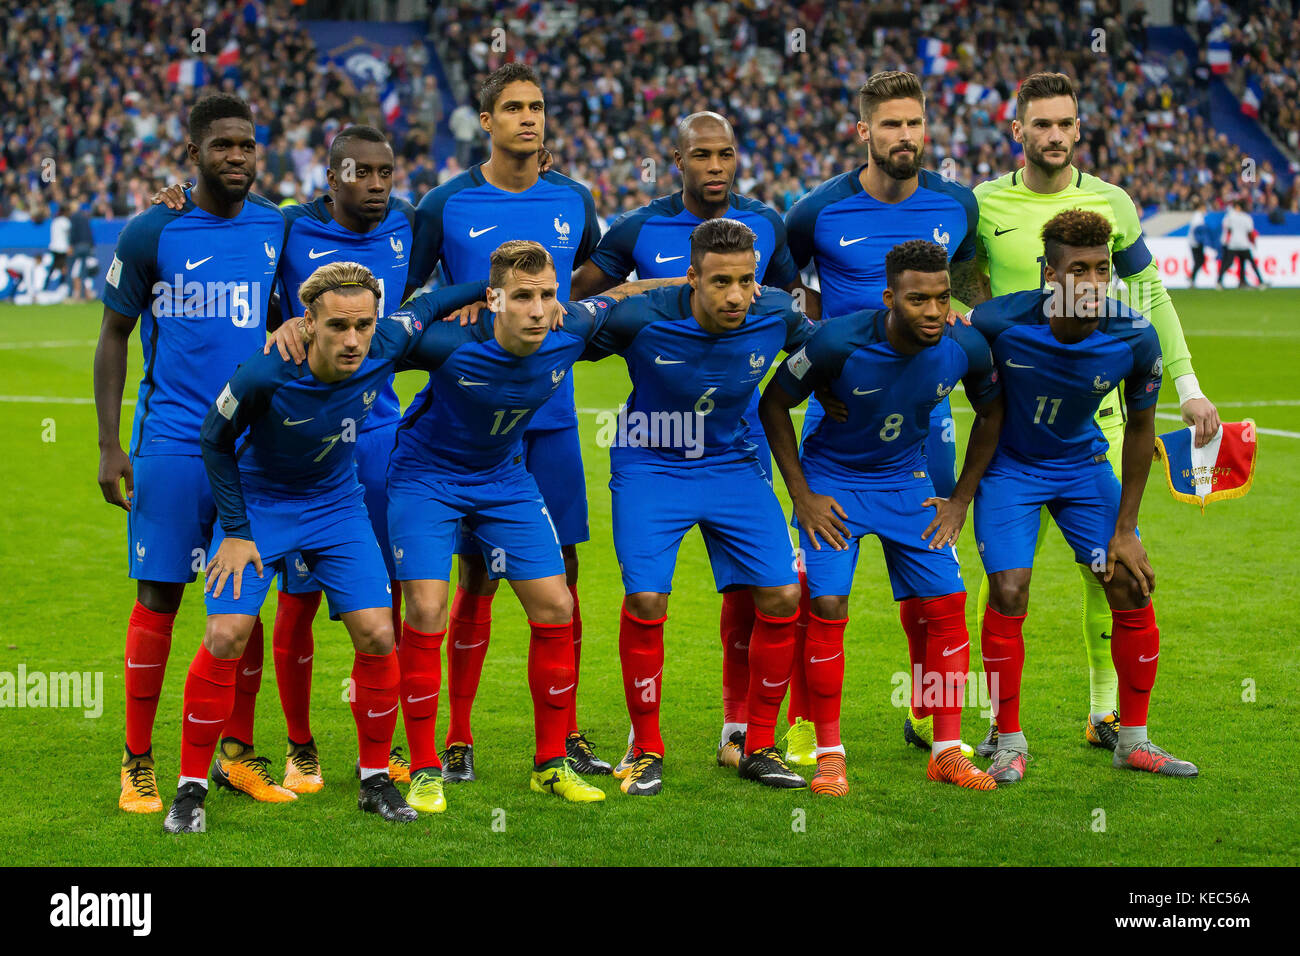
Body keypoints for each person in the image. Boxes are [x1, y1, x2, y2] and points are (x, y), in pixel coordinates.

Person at [163, 262, 487, 833]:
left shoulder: (385, 341)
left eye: (363, 324)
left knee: (378, 631)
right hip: (260, 506)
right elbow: (213, 440)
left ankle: (374, 780)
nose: (354, 339)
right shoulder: (265, 373)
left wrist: (489, 294)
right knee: (226, 634)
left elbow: (432, 305)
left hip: (336, 505)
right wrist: (236, 530)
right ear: (307, 322)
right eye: (338, 325)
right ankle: (189, 791)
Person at [973, 72, 1219, 757]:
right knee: (997, 583)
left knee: (1111, 570)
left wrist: (1188, 382)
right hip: (1010, 422)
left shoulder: (1113, 203)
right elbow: (959, 301)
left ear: (1079, 130)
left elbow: (1152, 293)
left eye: (1065, 124)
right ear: (1017, 131)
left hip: (1097, 423)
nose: (1054, 135)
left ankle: (1108, 716)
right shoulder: (983, 202)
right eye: (1041, 124)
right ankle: (965, 719)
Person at [568, 110, 803, 772]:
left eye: (744, 281)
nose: (735, 295)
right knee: (646, 598)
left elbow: (831, 348)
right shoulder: (639, 308)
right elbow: (566, 323)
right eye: (718, 281)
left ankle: (755, 743)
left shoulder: (776, 308)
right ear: (692, 278)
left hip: (734, 458)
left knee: (782, 594)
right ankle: (645, 748)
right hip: (651, 458)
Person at [407, 62, 608, 781]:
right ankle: (455, 736)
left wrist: (552, 309)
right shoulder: (444, 203)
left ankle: (565, 731)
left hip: (548, 418)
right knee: (476, 576)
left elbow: (593, 278)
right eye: (514, 107)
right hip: (465, 421)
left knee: (564, 572)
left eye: (539, 106)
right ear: (484, 121)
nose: (530, 118)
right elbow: (409, 297)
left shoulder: (574, 200)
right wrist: (461, 300)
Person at [784, 70, 984, 759]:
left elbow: (969, 282)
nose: (906, 137)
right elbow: (789, 294)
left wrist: (961, 314)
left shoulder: (957, 205)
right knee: (823, 586)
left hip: (925, 418)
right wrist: (819, 352)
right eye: (891, 125)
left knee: (929, 567)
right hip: (841, 414)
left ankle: (932, 715)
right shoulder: (815, 211)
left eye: (915, 123)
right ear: (863, 131)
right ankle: (807, 722)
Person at [94, 93, 285, 814]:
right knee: (160, 595)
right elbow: (112, 335)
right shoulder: (152, 230)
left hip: (252, 447)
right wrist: (112, 445)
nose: (236, 156)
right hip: (171, 444)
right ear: (194, 153)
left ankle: (235, 753)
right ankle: (136, 760)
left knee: (243, 598)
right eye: (223, 146)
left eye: (247, 146)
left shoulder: (278, 225)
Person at [758, 240, 1003, 795]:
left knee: (948, 604)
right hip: (834, 484)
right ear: (890, 297)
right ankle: (828, 754)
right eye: (919, 300)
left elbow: (992, 412)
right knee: (827, 604)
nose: (935, 312)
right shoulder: (837, 341)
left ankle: (945, 750)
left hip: (907, 484)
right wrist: (802, 495)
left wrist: (960, 498)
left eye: (943, 298)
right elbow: (773, 403)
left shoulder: (966, 344)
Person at [969, 209, 1198, 784]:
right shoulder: (999, 322)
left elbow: (1141, 429)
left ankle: (1133, 739)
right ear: (1050, 274)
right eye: (1079, 270)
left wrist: (1126, 529)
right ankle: (1008, 739)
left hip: (1082, 469)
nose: (1093, 283)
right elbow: (938, 359)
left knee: (1127, 581)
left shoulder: (1133, 337)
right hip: (1010, 471)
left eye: (1102, 270)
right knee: (1009, 589)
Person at [1217, 200, 1267, 288]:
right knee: (1250, 262)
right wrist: (1253, 242)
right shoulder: (1247, 218)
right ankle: (1260, 281)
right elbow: (1250, 232)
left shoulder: (1230, 217)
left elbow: (1226, 229)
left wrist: (1225, 242)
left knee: (1228, 262)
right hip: (1244, 244)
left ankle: (1220, 281)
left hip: (1233, 244)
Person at [1188, 201, 1212, 285]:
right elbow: (1197, 230)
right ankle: (1191, 277)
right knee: (1200, 261)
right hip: (1195, 243)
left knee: (1199, 261)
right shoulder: (1198, 216)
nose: (1205, 210)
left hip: (1195, 242)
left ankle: (1191, 278)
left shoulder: (1198, 216)